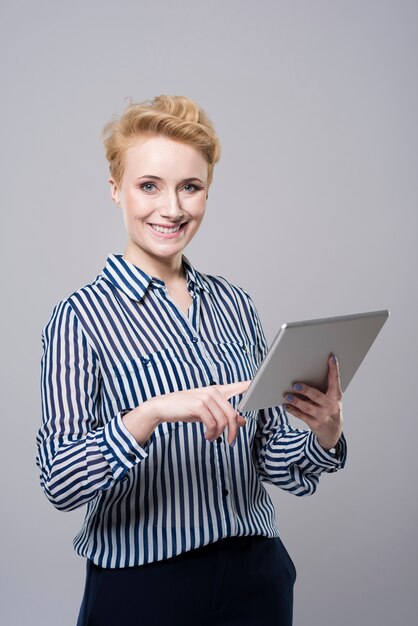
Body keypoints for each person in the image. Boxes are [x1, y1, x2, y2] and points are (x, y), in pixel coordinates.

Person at [36, 95, 346, 626]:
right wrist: (150, 413)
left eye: (190, 187)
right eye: (149, 185)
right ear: (116, 191)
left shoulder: (235, 304)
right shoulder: (78, 319)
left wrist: (324, 432)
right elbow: (60, 481)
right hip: (143, 587)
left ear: (206, 192)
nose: (172, 208)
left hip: (256, 576)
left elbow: (270, 457)